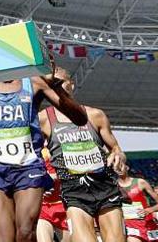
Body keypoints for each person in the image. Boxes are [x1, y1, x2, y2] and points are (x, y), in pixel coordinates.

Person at [0, 63, 88, 242]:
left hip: (28, 167)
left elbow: (81, 119)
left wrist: (56, 87)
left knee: (26, 233)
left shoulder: (35, 82)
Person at [40, 69, 127, 242]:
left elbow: (116, 148)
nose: (58, 87)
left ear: (71, 84)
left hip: (105, 187)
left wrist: (118, 157)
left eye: (61, 82)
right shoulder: (43, 119)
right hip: (73, 191)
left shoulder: (95, 115)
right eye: (52, 84)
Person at [117, 165, 158, 242]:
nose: (119, 168)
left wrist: (149, 210)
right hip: (130, 226)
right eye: (116, 167)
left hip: (148, 224)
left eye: (120, 166)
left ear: (127, 167)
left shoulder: (140, 182)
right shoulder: (113, 186)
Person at [37, 148, 72, 242]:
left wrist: (54, 177)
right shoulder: (35, 152)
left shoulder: (67, 150)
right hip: (43, 207)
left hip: (64, 206)